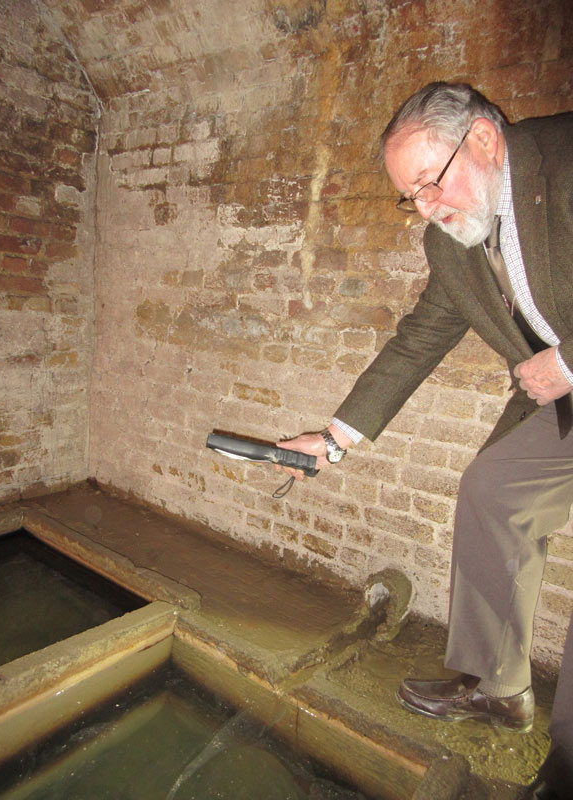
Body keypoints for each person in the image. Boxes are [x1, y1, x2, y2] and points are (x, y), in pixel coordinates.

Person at [276, 82, 573, 799]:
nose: (425, 208)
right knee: (492, 491)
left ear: (484, 140)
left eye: (427, 184)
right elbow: (420, 340)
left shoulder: (563, 158)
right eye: (408, 197)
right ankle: (500, 690)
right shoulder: (452, 242)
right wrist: (336, 437)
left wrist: (566, 361)